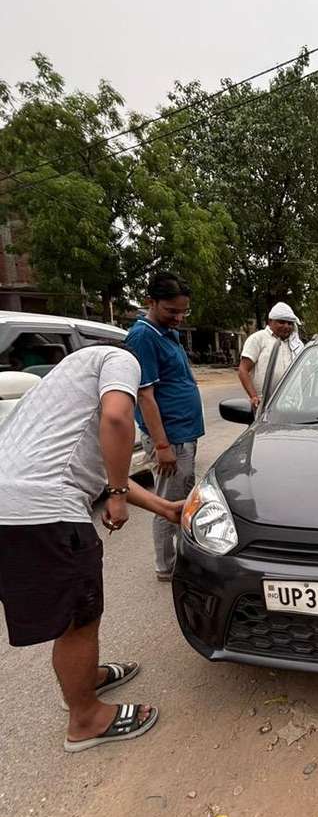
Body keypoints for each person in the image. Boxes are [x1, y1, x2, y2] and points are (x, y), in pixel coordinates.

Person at [0, 343, 183, 753]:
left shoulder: (67, 381)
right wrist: (117, 496)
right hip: (45, 511)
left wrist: (164, 509)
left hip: (12, 509)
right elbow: (117, 419)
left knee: (67, 610)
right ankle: (85, 719)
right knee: (79, 616)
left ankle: (87, 677)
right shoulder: (122, 359)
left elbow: (101, 468)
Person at [125, 272, 204, 581]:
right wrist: (161, 446)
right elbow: (145, 395)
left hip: (183, 433)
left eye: (184, 311)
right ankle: (166, 565)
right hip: (168, 438)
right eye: (172, 311)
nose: (179, 317)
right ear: (151, 302)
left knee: (182, 496)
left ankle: (180, 557)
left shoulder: (165, 331)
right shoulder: (143, 336)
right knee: (165, 504)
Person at [238, 302, 304, 408]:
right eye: (281, 322)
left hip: (294, 407)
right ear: (270, 321)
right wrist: (254, 397)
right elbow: (243, 370)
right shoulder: (258, 339)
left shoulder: (296, 344)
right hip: (265, 406)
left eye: (290, 323)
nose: (286, 326)